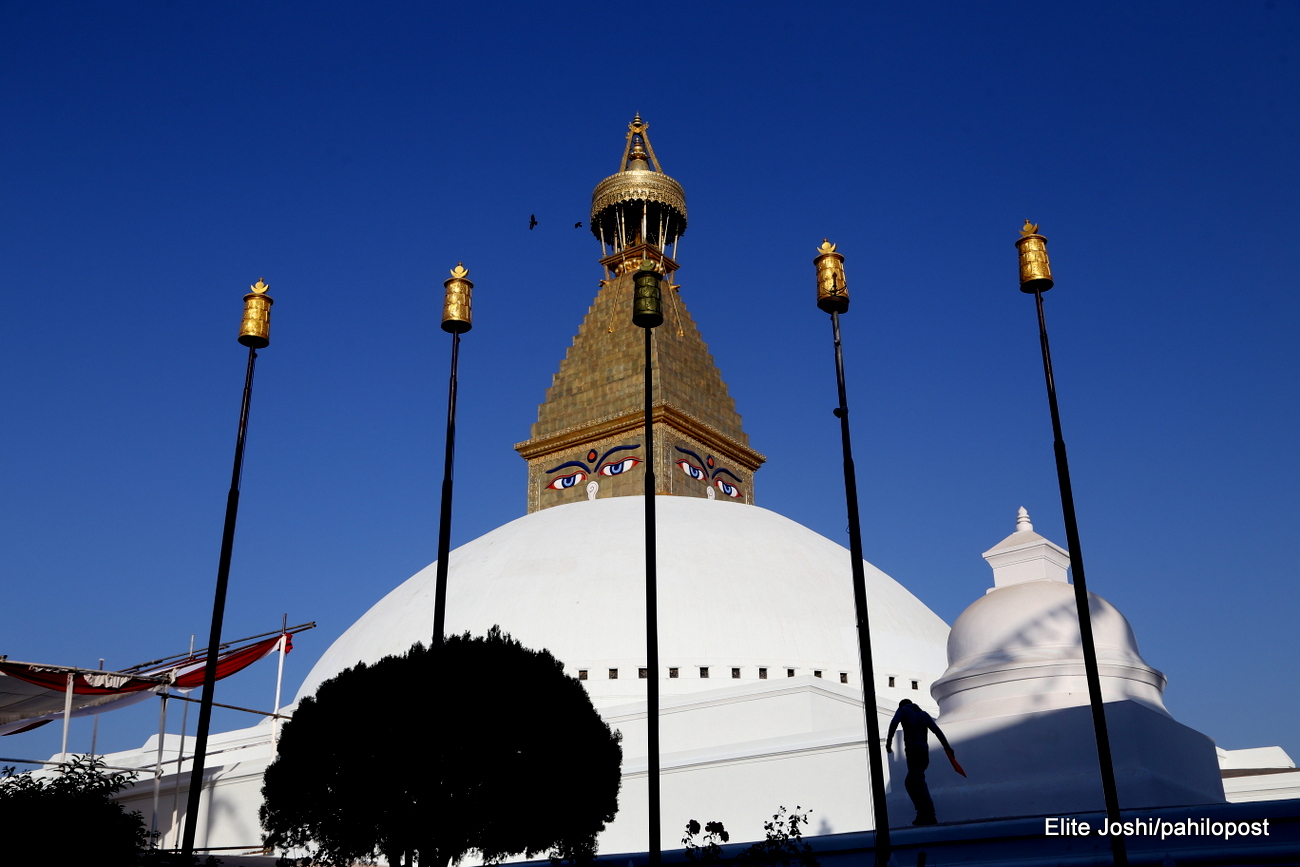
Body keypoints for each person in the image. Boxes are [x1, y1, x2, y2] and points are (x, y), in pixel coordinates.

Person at [886, 698, 956, 826]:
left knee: (917, 783)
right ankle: (923, 813)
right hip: (924, 753)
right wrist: (947, 747)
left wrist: (888, 743)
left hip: (913, 752)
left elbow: (894, 722)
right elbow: (937, 731)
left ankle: (928, 814)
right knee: (912, 782)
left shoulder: (903, 710)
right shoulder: (924, 714)